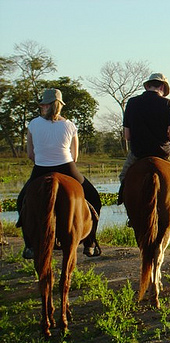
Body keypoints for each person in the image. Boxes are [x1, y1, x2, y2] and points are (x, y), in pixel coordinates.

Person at [17, 88, 102, 259]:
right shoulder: (70, 125)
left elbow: (30, 155)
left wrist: (45, 161)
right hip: (67, 168)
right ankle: (90, 243)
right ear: (60, 106)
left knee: (21, 201)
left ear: (45, 106)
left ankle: (29, 245)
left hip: (41, 169)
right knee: (94, 199)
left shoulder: (33, 124)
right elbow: (75, 156)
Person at [118, 73, 170, 225]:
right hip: (165, 153)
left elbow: (127, 136)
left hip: (138, 154)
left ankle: (131, 214)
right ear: (162, 87)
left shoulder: (132, 103)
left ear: (147, 86)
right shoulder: (168, 104)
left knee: (124, 177)